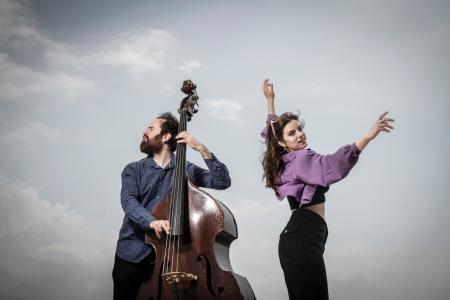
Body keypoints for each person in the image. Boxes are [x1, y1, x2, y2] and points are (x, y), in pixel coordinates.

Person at [260, 79, 394, 300]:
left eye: (299, 129)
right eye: (292, 133)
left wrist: (270, 101)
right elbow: (332, 166)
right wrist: (369, 136)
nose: (300, 134)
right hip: (303, 234)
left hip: (297, 237)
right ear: (283, 142)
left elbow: (270, 134)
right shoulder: (301, 158)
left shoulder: (284, 161)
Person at [112, 112, 231, 300]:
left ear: (166, 136)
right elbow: (129, 202)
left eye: (151, 129)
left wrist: (202, 149)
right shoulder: (133, 169)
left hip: (173, 259)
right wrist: (152, 222)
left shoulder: (186, 169)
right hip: (132, 255)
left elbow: (222, 182)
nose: (145, 131)